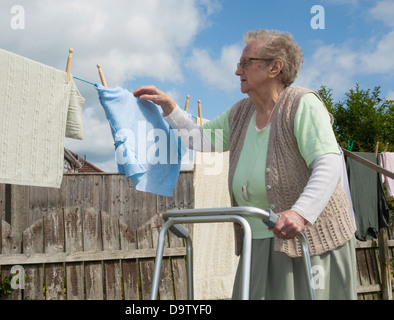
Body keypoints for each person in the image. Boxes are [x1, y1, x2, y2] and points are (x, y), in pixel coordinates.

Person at [133, 29, 357, 300]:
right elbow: (200, 139)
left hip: (311, 242)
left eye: (245, 62)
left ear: (275, 67)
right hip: (258, 239)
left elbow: (329, 163)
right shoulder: (241, 112)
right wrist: (170, 107)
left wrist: (300, 213)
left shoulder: (301, 104)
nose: (238, 70)